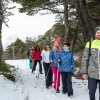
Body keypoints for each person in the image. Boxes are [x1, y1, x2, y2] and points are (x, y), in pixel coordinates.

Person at [81, 26, 100, 100]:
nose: (99, 34)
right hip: (92, 73)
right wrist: (84, 72)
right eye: (98, 32)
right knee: (92, 93)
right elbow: (85, 59)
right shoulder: (89, 44)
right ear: (95, 33)